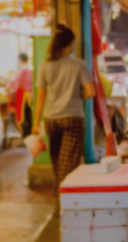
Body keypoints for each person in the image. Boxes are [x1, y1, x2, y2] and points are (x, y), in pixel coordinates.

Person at [34, 23, 96, 188]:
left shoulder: (44, 66)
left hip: (51, 120)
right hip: (72, 119)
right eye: (72, 45)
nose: (72, 48)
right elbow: (91, 91)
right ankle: (61, 208)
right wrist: (78, 95)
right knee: (67, 169)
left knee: (58, 165)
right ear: (68, 45)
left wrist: (35, 124)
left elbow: (40, 96)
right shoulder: (78, 65)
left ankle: (62, 206)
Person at [7, 52, 34, 137]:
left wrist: (8, 87)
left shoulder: (22, 70)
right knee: (28, 116)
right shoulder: (31, 69)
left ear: (20, 60)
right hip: (31, 95)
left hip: (24, 96)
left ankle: (26, 135)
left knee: (23, 117)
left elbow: (15, 81)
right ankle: (28, 134)